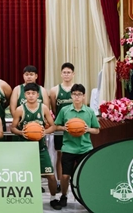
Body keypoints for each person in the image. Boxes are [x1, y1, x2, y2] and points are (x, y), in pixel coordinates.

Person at [11, 83, 60, 210]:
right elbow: (13, 128)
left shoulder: (43, 108)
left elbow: (53, 126)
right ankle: (21, 200)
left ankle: (53, 198)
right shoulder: (20, 110)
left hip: (41, 148)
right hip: (25, 149)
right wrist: (21, 132)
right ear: (24, 95)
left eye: (33, 93)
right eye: (28, 93)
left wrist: (45, 132)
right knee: (22, 176)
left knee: (51, 176)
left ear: (38, 95)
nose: (31, 96)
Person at [54, 84, 100, 209]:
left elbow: (97, 130)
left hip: (85, 148)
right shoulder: (65, 110)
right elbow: (56, 126)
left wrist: (87, 129)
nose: (77, 97)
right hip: (68, 147)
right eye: (74, 94)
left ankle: (86, 197)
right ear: (71, 96)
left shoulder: (90, 111)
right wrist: (64, 128)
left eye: (79, 94)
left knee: (84, 175)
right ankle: (64, 196)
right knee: (65, 176)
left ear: (84, 96)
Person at [50, 62, 75, 191]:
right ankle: (60, 181)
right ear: (61, 74)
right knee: (60, 155)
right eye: (64, 72)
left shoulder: (77, 90)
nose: (66, 75)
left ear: (73, 74)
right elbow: (54, 109)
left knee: (74, 154)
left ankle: (73, 181)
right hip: (61, 127)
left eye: (68, 72)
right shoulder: (54, 90)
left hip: (75, 128)